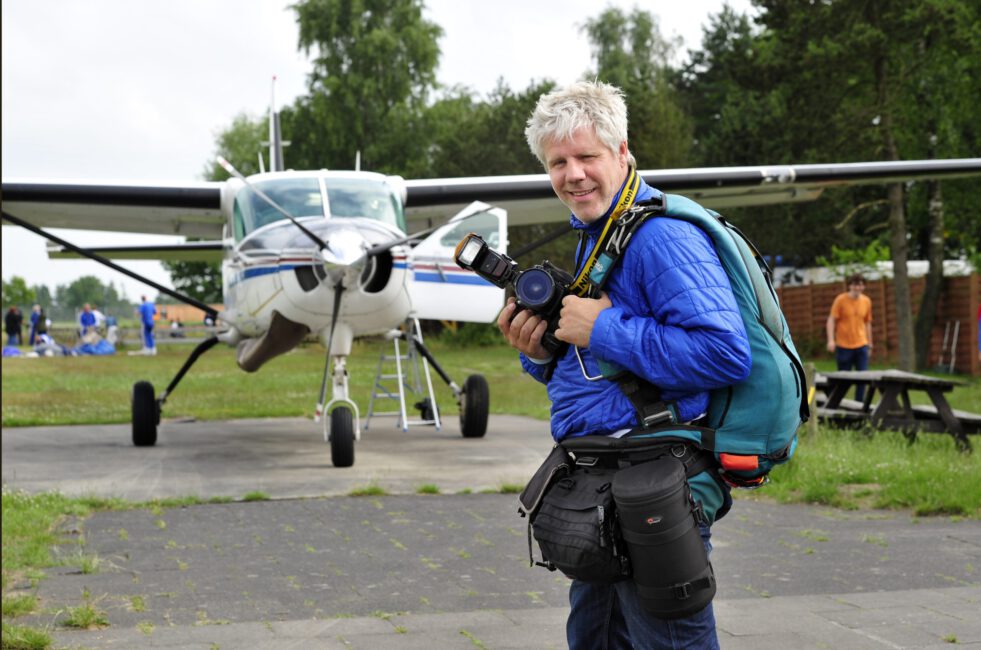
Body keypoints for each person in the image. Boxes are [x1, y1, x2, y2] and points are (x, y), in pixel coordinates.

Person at [499, 81, 751, 649]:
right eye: (557, 162)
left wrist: (602, 327)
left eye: (587, 156)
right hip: (602, 484)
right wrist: (541, 354)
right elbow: (599, 361)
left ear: (622, 151)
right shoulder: (600, 235)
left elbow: (724, 352)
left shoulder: (660, 237)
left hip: (652, 484)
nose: (573, 174)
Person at [826, 273, 873, 400]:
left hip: (861, 344)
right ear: (850, 286)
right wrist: (831, 340)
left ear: (863, 287)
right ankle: (836, 404)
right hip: (843, 345)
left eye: (861, 285)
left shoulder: (867, 301)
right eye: (855, 285)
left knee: (863, 378)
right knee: (843, 379)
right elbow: (831, 320)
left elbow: (867, 323)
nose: (857, 288)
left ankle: (859, 405)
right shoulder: (840, 300)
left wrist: (870, 344)